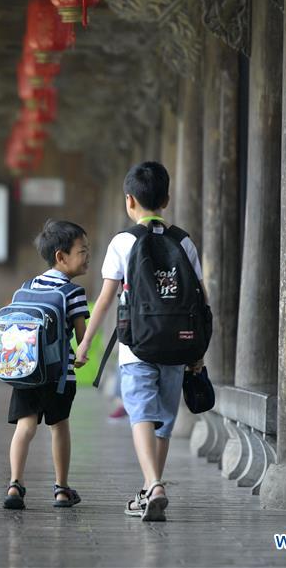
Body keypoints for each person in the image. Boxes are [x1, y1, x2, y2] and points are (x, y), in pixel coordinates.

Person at [75, 161, 205, 522]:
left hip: (137, 346)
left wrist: (84, 344)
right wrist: (198, 348)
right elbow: (200, 299)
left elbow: (105, 299)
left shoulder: (123, 241)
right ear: (166, 199)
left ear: (129, 200)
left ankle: (153, 485)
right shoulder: (183, 241)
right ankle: (151, 487)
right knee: (163, 420)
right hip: (178, 344)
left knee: (141, 414)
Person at [3, 220, 90, 510]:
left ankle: (15, 485)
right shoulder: (73, 293)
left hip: (25, 372)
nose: (87, 256)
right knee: (59, 427)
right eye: (82, 251)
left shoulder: (25, 288)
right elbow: (82, 338)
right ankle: (61, 490)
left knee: (25, 427)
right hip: (59, 376)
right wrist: (82, 355)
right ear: (61, 256)